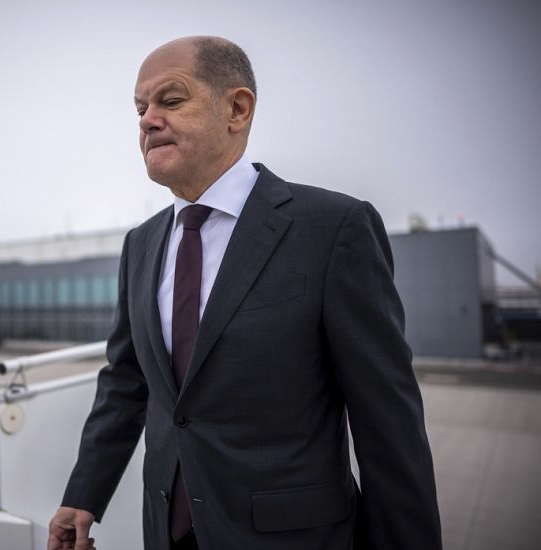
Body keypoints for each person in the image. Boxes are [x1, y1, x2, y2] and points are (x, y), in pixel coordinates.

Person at [48, 36, 442, 550]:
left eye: (169, 101)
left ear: (236, 108)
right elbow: (126, 385)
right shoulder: (141, 245)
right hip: (168, 533)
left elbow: (388, 424)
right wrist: (85, 496)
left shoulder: (332, 228)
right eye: (140, 109)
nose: (146, 121)